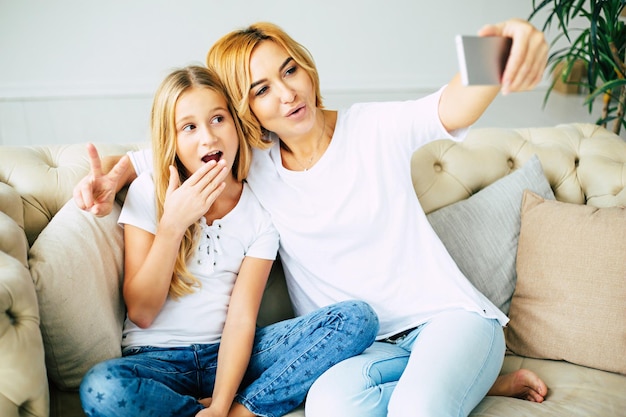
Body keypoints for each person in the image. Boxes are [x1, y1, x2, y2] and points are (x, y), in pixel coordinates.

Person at [74, 19, 549, 417]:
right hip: (367, 348)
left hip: (446, 319)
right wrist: (111, 182)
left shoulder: (373, 129)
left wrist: (504, 46)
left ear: (306, 68)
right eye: (262, 89)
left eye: (290, 70)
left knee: (418, 409)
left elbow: (450, 104)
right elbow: (164, 149)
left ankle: (460, 371)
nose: (287, 94)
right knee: (329, 406)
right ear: (247, 113)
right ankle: (471, 382)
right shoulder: (251, 164)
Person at [78, 65, 379, 417]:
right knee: (101, 388)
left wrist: (222, 404)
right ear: (172, 140)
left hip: (233, 355)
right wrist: (173, 224)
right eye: (189, 127)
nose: (208, 137)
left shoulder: (259, 209)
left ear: (236, 125)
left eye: (218, 119)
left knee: (357, 319)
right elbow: (142, 313)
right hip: (156, 361)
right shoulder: (150, 190)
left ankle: (242, 411)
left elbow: (241, 319)